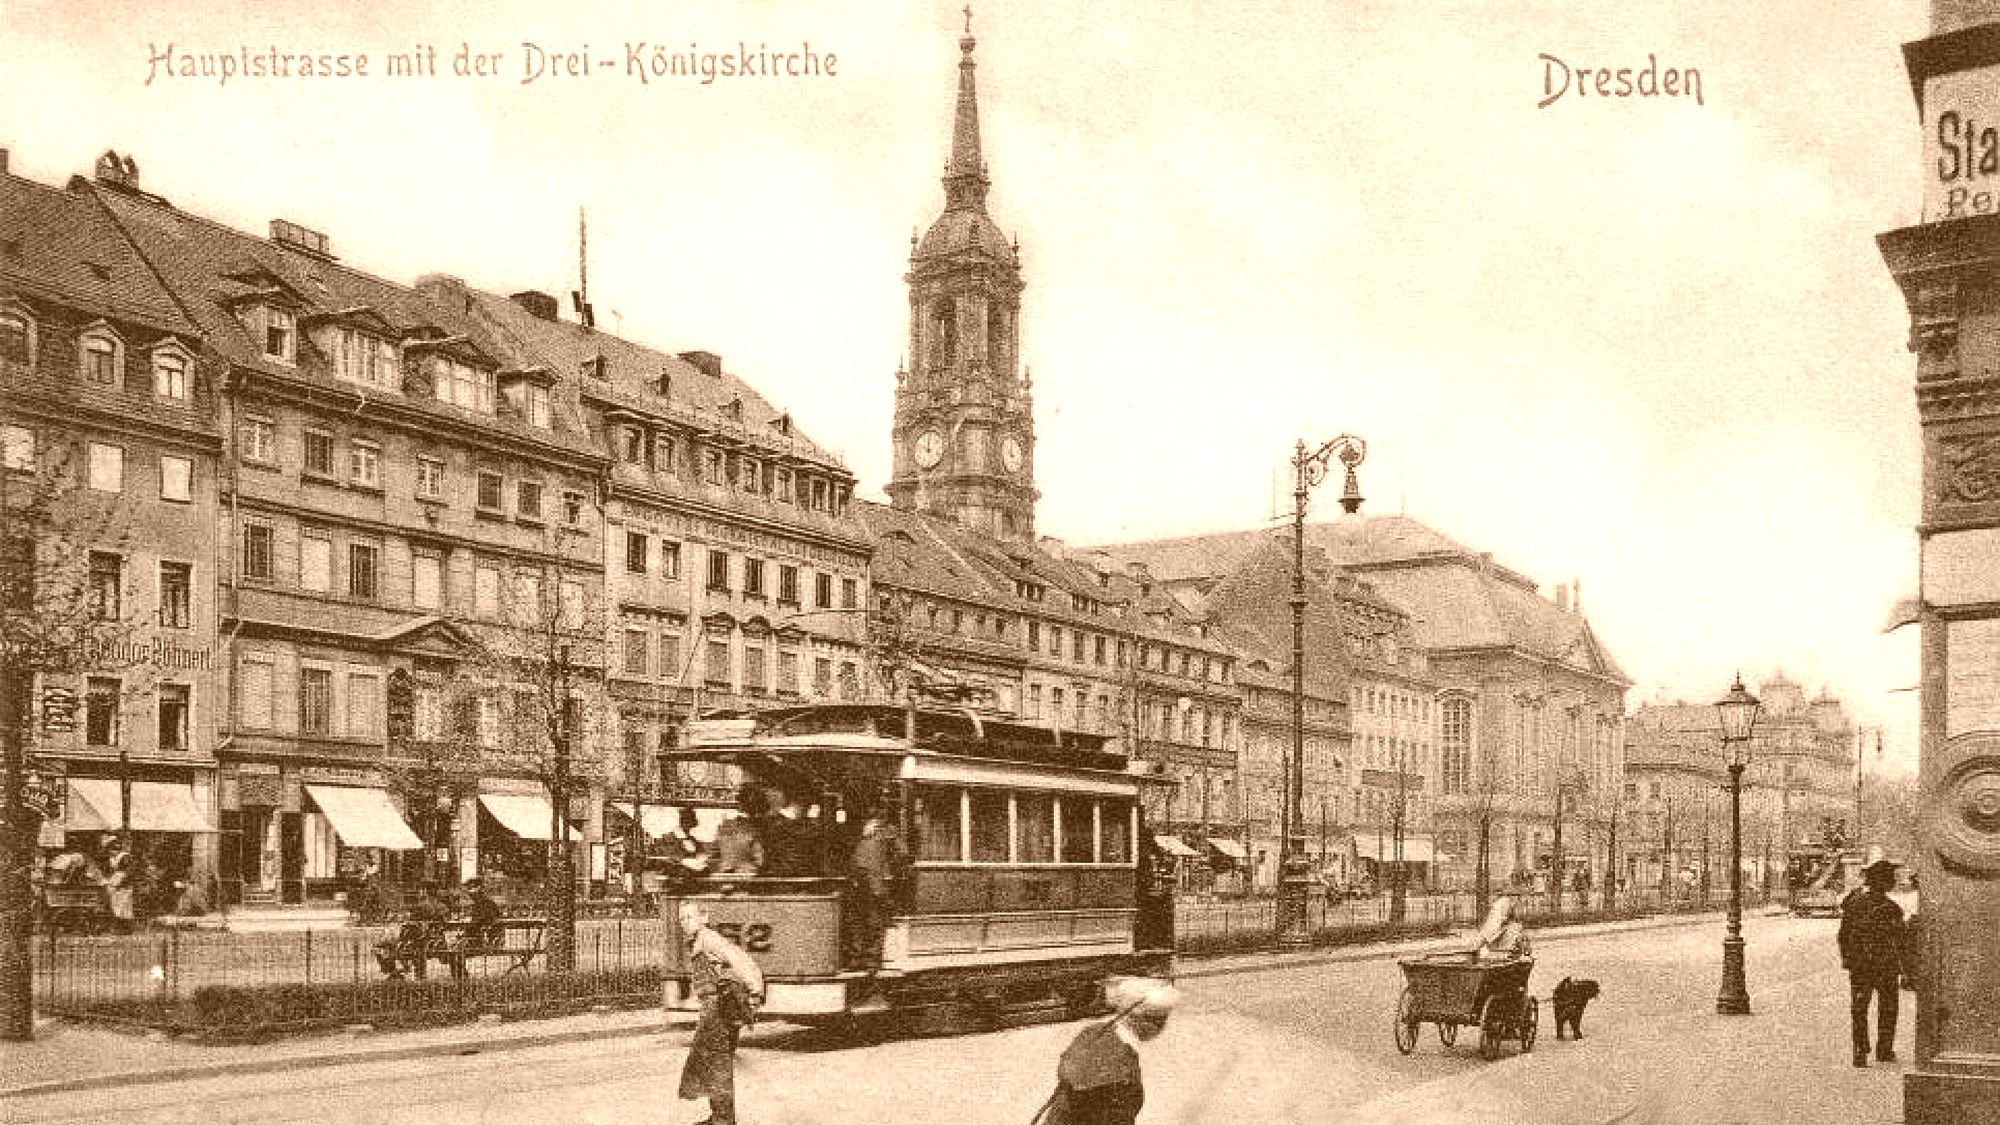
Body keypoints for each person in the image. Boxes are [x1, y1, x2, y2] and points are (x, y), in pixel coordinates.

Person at [1035, 978, 1179, 1125]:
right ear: (1146, 1021)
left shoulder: (1094, 1033)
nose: (1161, 1028)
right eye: (1160, 1021)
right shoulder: (1121, 1066)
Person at [677, 899, 765, 1125]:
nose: (685, 922)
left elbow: (742, 962)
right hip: (712, 1010)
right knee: (711, 1062)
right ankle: (720, 1116)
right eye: (682, 919)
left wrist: (755, 991)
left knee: (718, 1063)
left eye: (690, 917)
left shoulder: (710, 940)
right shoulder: (698, 941)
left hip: (719, 1011)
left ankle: (723, 1120)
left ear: (703, 918)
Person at [1839, 855, 1906, 1067]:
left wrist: (1848, 959)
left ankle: (1860, 1050)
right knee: (1888, 1008)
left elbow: (1843, 935)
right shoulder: (1892, 909)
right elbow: (1901, 941)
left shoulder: (1853, 903)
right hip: (1886, 966)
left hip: (1861, 965)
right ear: (1884, 882)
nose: (1894, 881)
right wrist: (1905, 968)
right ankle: (1884, 1050)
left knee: (1859, 1008)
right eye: (1891, 878)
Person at [845, 802, 907, 971]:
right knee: (867, 920)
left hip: (864, 882)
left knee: (865, 920)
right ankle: (866, 959)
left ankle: (862, 959)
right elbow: (902, 853)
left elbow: (901, 854)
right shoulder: (883, 831)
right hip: (868, 883)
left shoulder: (873, 831)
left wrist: (888, 870)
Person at [375, 883, 449, 979]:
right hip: (425, 937)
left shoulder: (424, 905)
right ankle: (400, 970)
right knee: (386, 945)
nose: (419, 892)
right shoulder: (441, 906)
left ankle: (394, 971)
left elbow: (413, 922)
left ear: (425, 891)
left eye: (421, 890)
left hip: (419, 937)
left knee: (382, 946)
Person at [714, 784, 767, 875]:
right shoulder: (757, 830)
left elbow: (715, 854)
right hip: (747, 877)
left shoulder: (724, 826)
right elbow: (760, 861)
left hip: (724, 876)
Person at [1472, 895, 1531, 960]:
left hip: (1504, 952)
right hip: (1496, 952)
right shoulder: (1502, 922)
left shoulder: (1515, 927)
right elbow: (1489, 933)